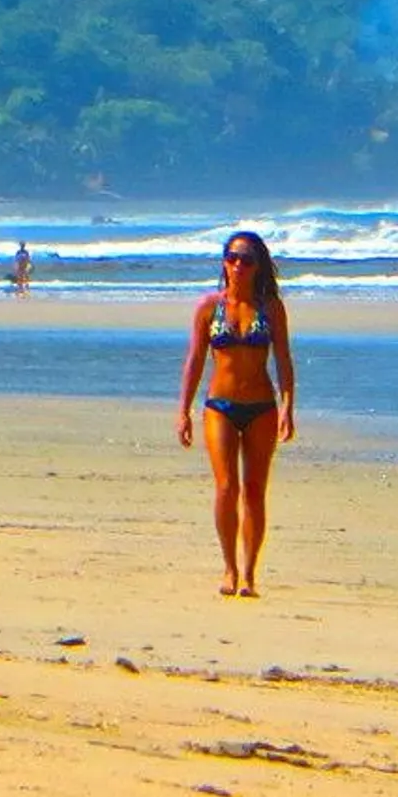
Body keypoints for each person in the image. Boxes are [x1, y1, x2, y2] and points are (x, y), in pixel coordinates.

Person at [176, 230, 296, 597]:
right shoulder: (209, 307)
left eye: (246, 259)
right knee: (227, 487)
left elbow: (283, 359)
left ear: (259, 266)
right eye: (232, 258)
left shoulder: (270, 307)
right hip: (220, 406)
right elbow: (195, 360)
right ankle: (229, 568)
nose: (238, 265)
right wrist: (183, 410)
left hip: (261, 407)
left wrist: (288, 407)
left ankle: (249, 573)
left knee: (255, 491)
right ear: (224, 262)